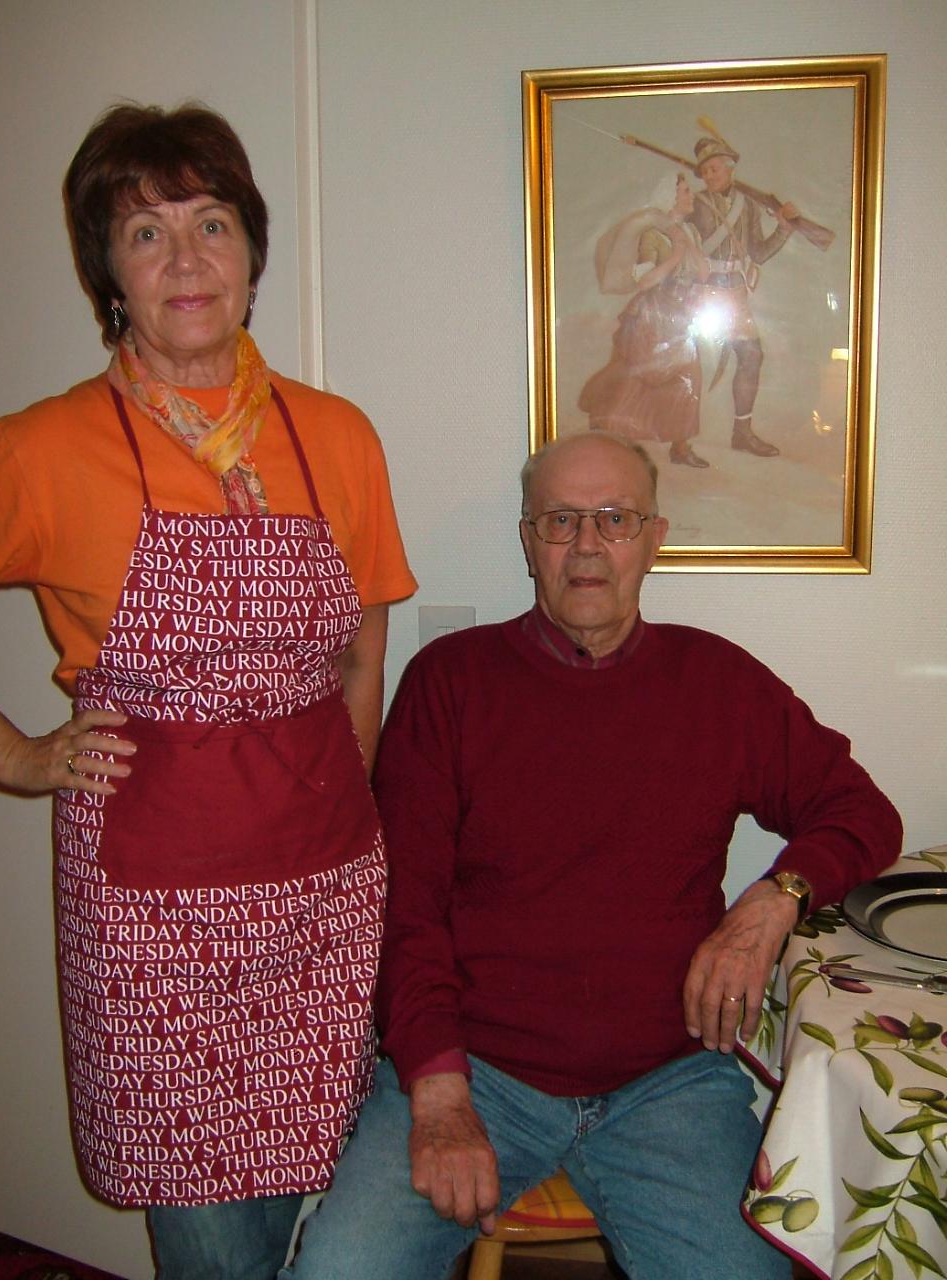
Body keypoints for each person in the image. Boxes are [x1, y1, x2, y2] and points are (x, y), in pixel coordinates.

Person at [284, 429, 901, 1280]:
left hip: (669, 1080)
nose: (586, 545)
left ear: (655, 537)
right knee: (338, 1271)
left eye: (615, 519)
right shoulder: (450, 683)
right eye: (560, 520)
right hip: (478, 1071)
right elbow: (404, 908)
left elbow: (863, 813)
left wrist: (771, 901)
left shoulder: (719, 684)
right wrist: (438, 1091)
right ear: (528, 540)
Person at [0, 103, 416, 1280]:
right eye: (146, 232)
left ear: (251, 253)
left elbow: (363, 648)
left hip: (324, 886)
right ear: (108, 273)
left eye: (211, 223)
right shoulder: (41, 448)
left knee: (323, 1197)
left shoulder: (337, 435)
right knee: (213, 1242)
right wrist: (19, 755)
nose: (186, 259)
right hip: (153, 910)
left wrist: (352, 802)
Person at [579, 172, 710, 468]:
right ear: (670, 197)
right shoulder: (653, 235)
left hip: (681, 318)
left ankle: (680, 447)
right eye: (685, 191)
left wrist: (688, 245)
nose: (691, 196)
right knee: (635, 378)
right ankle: (606, 433)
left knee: (689, 377)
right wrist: (676, 253)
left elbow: (702, 273)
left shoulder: (690, 232)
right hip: (652, 315)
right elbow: (645, 280)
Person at [687, 134, 800, 459]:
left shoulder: (748, 206)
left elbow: (758, 253)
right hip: (702, 293)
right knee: (686, 360)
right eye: (704, 171)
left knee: (751, 356)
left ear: (729, 168)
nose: (709, 175)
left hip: (735, 294)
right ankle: (678, 439)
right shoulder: (695, 204)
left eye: (714, 168)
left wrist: (784, 228)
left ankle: (742, 432)